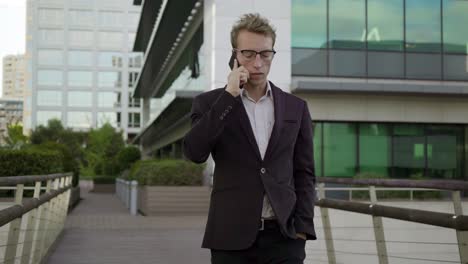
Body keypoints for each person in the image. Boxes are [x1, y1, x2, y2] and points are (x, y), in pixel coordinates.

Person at [183, 13, 316, 264]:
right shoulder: (210, 104)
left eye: (265, 54)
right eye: (248, 54)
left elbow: (305, 172)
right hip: (230, 239)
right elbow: (194, 152)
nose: (258, 63)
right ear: (235, 55)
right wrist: (230, 94)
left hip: (284, 239)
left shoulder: (296, 107)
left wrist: (302, 228)